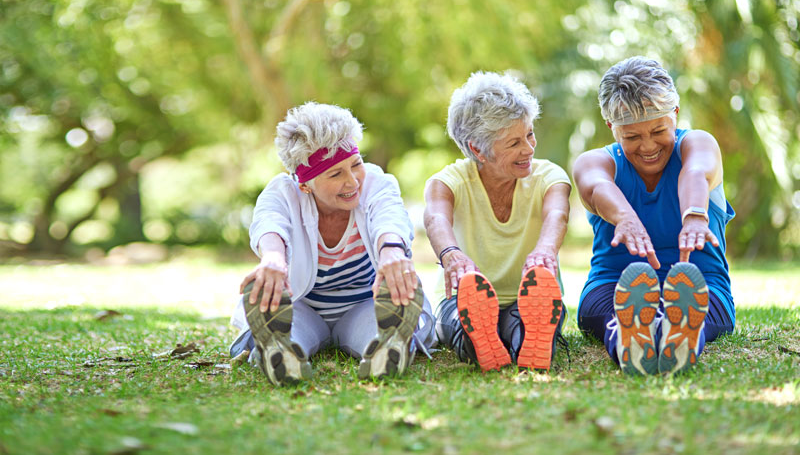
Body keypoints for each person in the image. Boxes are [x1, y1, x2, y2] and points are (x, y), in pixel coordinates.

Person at [229, 102, 436, 385]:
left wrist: (391, 251)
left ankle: (389, 348)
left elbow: (389, 214)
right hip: (303, 306)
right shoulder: (284, 192)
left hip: (364, 303)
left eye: (355, 164)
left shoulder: (376, 182)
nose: (353, 181)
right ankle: (280, 351)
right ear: (305, 185)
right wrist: (273, 258)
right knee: (291, 332)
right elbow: (269, 222)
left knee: (376, 331)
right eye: (335, 174)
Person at [572, 56, 736, 376]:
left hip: (701, 287)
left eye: (658, 130)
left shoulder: (698, 144)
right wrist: (625, 218)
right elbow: (596, 187)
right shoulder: (594, 162)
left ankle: (677, 335)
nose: (647, 146)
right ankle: (629, 338)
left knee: (696, 314)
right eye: (632, 137)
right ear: (612, 128)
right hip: (611, 287)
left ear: (675, 115)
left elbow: (696, 172)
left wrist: (694, 215)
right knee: (610, 313)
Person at [424, 72, 572, 372]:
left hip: (528, 299)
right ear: (477, 149)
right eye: (514, 142)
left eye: (530, 134)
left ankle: (526, 342)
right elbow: (436, 217)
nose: (529, 149)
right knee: (464, 326)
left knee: (528, 328)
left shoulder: (549, 176)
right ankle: (482, 340)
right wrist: (451, 254)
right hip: (462, 300)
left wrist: (545, 251)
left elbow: (557, 214)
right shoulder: (448, 182)